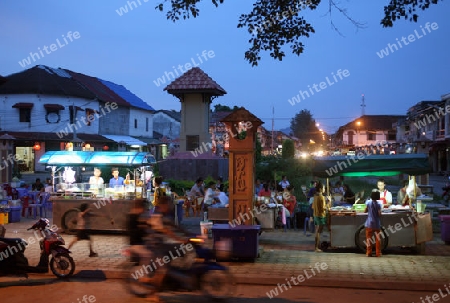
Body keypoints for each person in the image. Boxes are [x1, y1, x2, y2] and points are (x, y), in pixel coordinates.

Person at [364, 190, 382, 257]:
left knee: (368, 239)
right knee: (377, 239)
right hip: (376, 223)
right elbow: (379, 214)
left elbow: (365, 211)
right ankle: (378, 253)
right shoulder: (379, 204)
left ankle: (369, 253)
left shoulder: (368, 202)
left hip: (369, 223)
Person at [312, 182, 329, 252]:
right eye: (324, 188)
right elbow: (323, 208)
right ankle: (316, 248)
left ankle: (317, 246)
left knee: (317, 231)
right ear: (320, 189)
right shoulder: (321, 197)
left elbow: (313, 206)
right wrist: (328, 203)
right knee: (318, 231)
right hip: (320, 215)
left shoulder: (315, 196)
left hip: (315, 215)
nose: (324, 189)